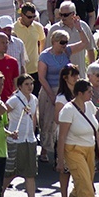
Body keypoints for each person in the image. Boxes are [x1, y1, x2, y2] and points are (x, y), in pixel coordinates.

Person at [37, 28, 89, 163]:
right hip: (49, 89)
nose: (64, 45)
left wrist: (79, 27)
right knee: (48, 121)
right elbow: (41, 77)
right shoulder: (45, 56)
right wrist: (52, 96)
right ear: (53, 41)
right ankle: (44, 149)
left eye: (66, 42)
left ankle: (62, 149)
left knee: (63, 121)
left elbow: (85, 43)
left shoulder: (67, 51)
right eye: (61, 42)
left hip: (65, 90)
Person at [57, 79, 99, 197]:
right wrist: (60, 160)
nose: (92, 94)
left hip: (90, 149)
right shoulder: (68, 110)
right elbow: (61, 136)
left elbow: (94, 129)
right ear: (79, 93)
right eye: (89, 92)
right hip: (74, 150)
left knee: (85, 182)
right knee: (86, 186)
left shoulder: (89, 106)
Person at [1, 74, 38, 197]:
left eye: (31, 84)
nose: (30, 87)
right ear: (20, 86)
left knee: (30, 173)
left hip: (30, 140)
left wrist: (33, 134)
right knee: (10, 172)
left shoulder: (33, 99)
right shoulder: (14, 100)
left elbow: (33, 118)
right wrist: (6, 131)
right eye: (26, 84)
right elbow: (1, 115)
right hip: (16, 141)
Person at [46, 1, 95, 75]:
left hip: (80, 74)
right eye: (60, 14)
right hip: (61, 76)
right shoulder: (54, 29)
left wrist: (92, 71)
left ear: (73, 14)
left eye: (65, 15)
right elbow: (47, 52)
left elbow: (90, 49)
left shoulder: (83, 26)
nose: (62, 17)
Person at [53, 64, 80, 197]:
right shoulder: (62, 97)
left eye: (77, 74)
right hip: (65, 137)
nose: (76, 77)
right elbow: (57, 118)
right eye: (73, 75)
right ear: (65, 78)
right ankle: (63, 196)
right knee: (64, 171)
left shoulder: (79, 95)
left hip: (78, 138)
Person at [13, 3, 46, 94]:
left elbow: (42, 41)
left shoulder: (38, 26)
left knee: (35, 97)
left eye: (33, 17)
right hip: (20, 70)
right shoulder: (14, 28)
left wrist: (40, 59)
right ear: (22, 15)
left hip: (35, 69)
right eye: (29, 17)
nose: (32, 19)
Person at [0, 32, 20, 102]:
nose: (5, 45)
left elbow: (16, 83)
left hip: (9, 101)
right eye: (2, 43)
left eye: (6, 42)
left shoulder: (13, 61)